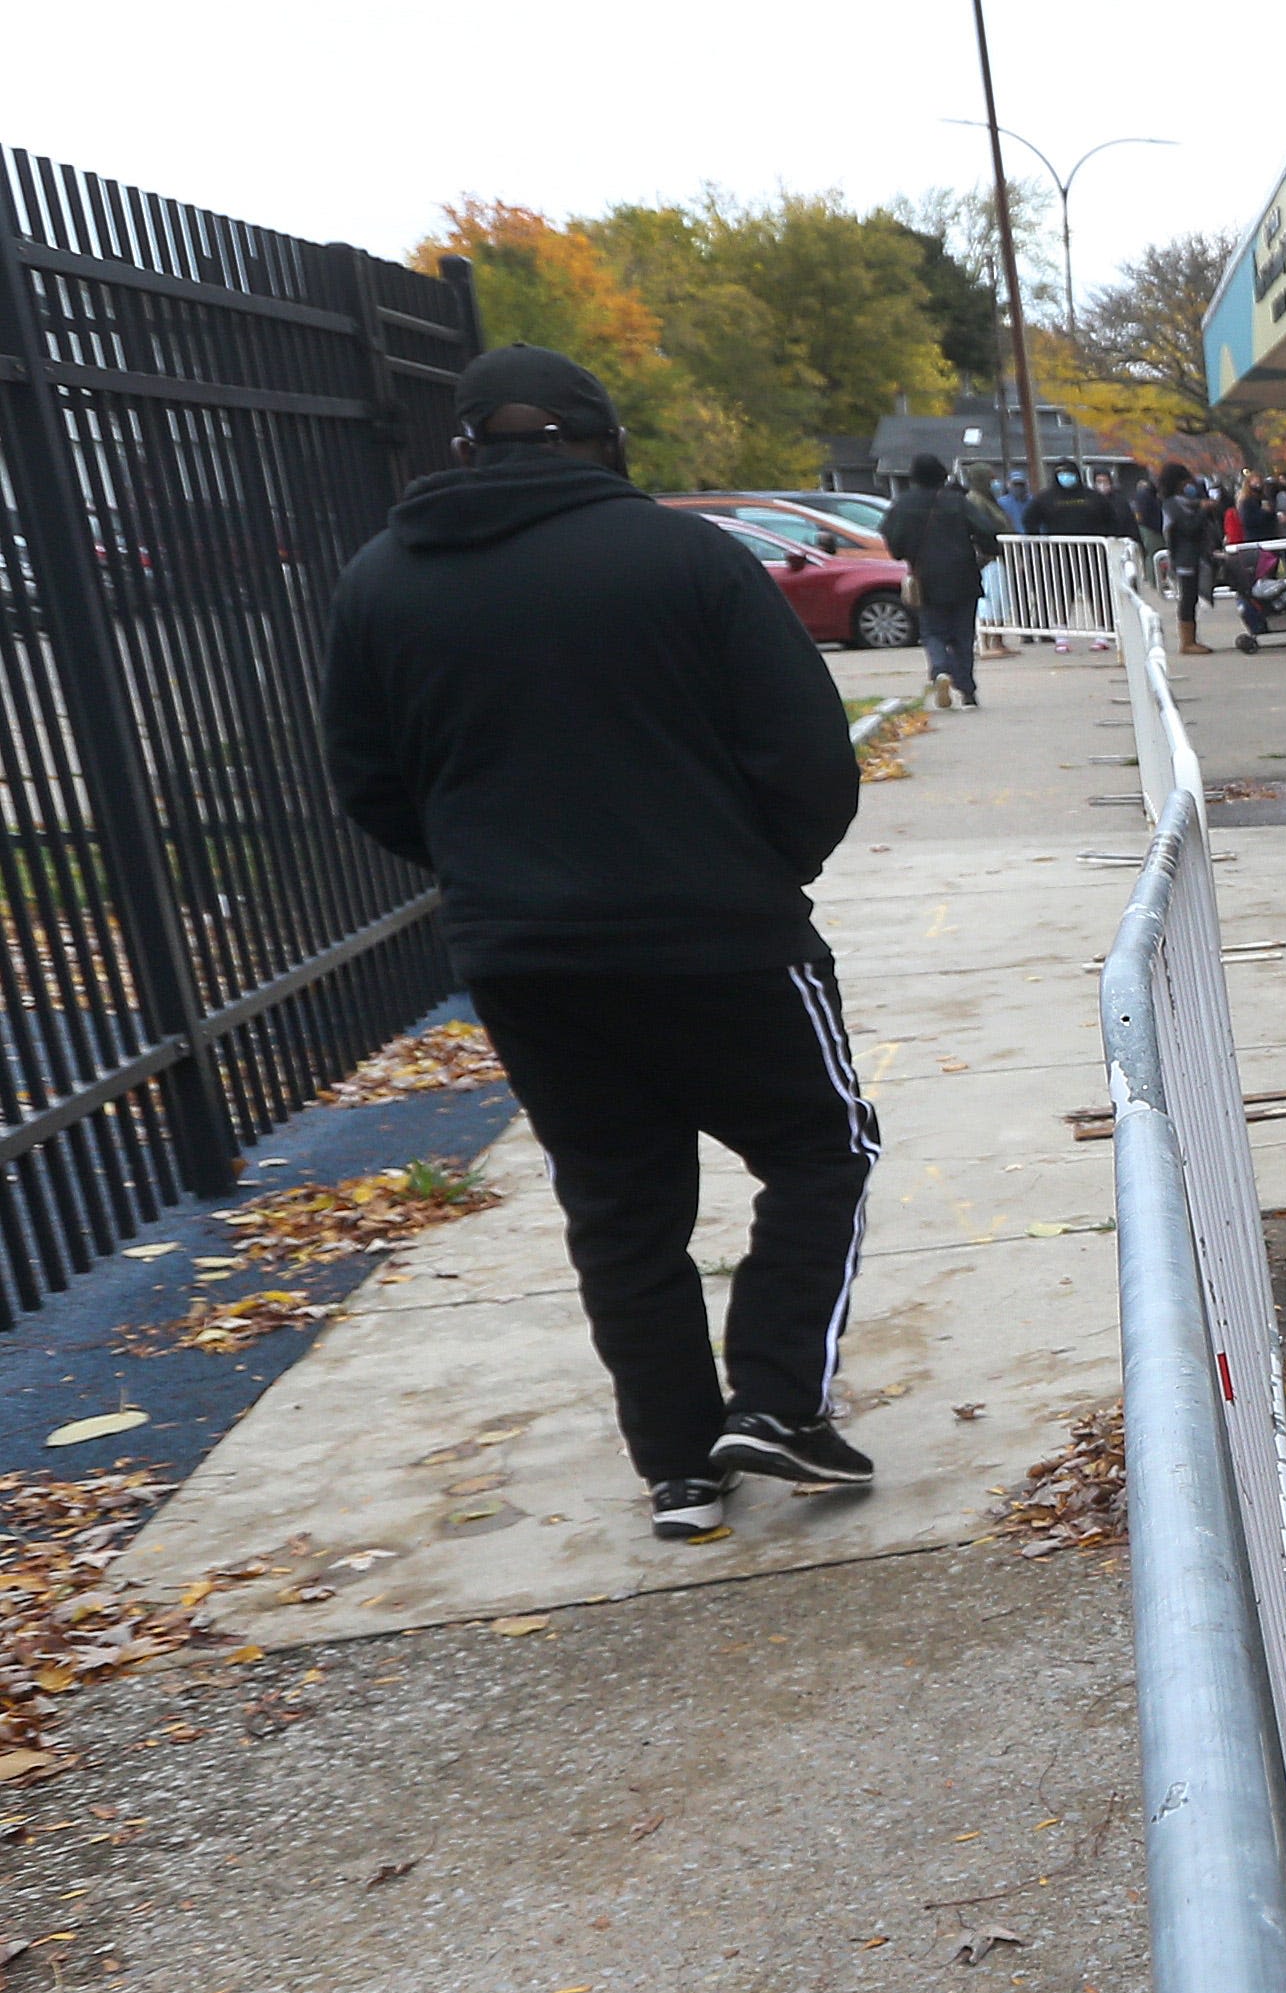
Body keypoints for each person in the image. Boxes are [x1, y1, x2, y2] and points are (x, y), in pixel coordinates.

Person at [321, 346, 880, 1547]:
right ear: (599, 437)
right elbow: (808, 754)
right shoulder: (686, 558)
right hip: (721, 933)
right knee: (821, 1148)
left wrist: (496, 874)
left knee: (622, 1208)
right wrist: (759, 871)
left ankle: (680, 1466)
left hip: (526, 954)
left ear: (465, 445)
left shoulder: (379, 582)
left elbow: (369, 782)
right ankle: (776, 1397)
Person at [878, 458, 1002, 710]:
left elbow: (892, 539)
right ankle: (967, 691)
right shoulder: (957, 502)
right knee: (963, 635)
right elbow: (986, 530)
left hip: (925, 577)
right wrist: (987, 551)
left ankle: (941, 671)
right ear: (942, 476)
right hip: (963, 574)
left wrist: (905, 553)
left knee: (932, 632)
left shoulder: (902, 505)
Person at [1161, 469, 1226, 654]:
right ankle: (1187, 642)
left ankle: (1191, 638)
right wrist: (1202, 511)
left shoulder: (1190, 503)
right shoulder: (1172, 505)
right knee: (1188, 598)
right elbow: (1188, 528)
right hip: (1184, 557)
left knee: (1191, 597)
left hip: (1197, 554)